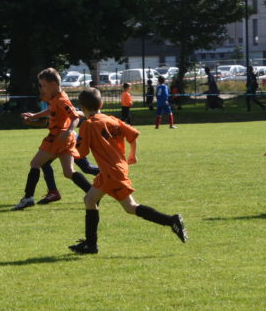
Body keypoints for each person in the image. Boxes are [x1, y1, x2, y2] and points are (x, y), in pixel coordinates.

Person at [68, 87, 187, 254]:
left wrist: (70, 142)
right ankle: (90, 244)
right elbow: (133, 134)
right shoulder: (112, 119)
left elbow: (82, 152)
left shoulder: (88, 125)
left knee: (130, 207)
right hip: (113, 170)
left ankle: (171, 221)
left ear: (83, 108)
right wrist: (133, 155)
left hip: (111, 173)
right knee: (90, 199)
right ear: (102, 104)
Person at [11, 68, 92, 210]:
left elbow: (75, 117)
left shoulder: (62, 100)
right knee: (69, 172)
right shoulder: (56, 98)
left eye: (43, 85)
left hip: (57, 137)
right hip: (65, 139)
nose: (42, 88)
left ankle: (28, 198)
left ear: (53, 84)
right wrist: (34, 115)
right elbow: (51, 111)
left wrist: (69, 131)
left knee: (35, 163)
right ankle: (93, 194)